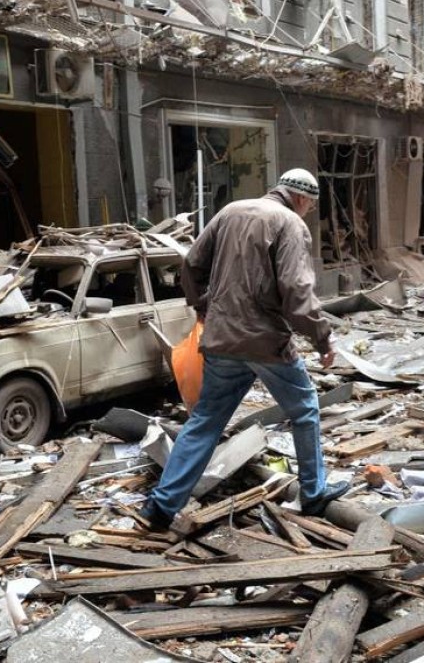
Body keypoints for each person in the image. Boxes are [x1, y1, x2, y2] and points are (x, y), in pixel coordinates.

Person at [140, 168, 350, 531]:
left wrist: (202, 305)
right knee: (305, 410)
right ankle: (313, 492)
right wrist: (322, 338)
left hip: (222, 338)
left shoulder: (230, 211)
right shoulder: (290, 223)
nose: (308, 212)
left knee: (205, 421)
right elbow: (297, 289)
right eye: (311, 206)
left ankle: (161, 507)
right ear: (301, 198)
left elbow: (191, 264)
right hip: (265, 341)